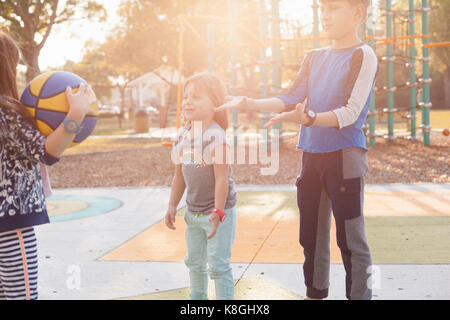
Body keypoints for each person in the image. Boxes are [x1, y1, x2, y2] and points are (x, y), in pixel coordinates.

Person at [216, 0, 378, 300]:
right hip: (311, 158)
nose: (325, 16)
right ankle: (315, 293)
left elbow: (350, 113)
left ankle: (362, 296)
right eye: (322, 9)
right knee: (311, 237)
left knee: (351, 241)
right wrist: (250, 103)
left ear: (358, 12)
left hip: (345, 158)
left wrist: (310, 118)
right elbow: (290, 98)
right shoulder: (314, 57)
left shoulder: (363, 55)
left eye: (334, 8)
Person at [0, 31, 92, 300]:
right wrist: (75, 115)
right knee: (21, 296)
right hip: (11, 224)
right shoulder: (6, 111)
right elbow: (47, 151)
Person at [165, 73, 238, 300]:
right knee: (195, 263)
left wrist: (218, 211)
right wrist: (172, 205)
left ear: (215, 103)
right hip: (193, 213)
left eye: (195, 97)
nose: (187, 101)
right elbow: (179, 176)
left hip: (218, 213)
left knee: (218, 265)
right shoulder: (182, 135)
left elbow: (221, 179)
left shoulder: (216, 136)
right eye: (186, 97)